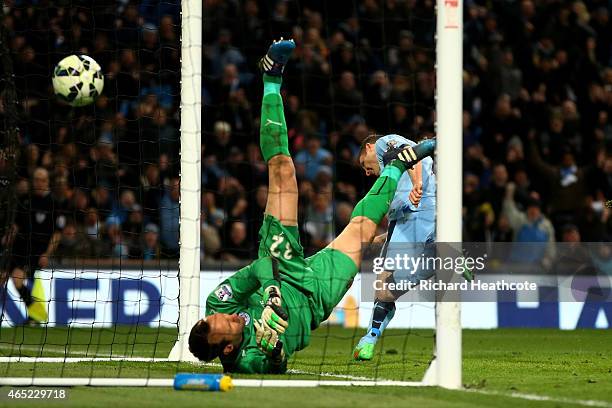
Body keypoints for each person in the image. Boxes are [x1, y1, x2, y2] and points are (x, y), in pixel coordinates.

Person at [188, 39, 436, 374]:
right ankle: (397, 165)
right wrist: (275, 350)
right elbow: (276, 366)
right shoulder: (245, 360)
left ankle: (271, 79)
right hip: (316, 295)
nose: (229, 316)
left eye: (219, 316)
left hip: (281, 265)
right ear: (228, 347)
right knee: (362, 229)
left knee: (283, 171)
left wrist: (273, 292)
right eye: (228, 325)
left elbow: (257, 271)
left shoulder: (218, 302)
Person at [352, 133, 436, 361]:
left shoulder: (381, 144)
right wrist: (379, 238)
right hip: (416, 218)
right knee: (385, 290)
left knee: (384, 288)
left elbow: (411, 154)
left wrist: (417, 183)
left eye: (363, 163)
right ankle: (369, 338)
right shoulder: (392, 178)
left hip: (415, 214)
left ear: (368, 147)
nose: (366, 172)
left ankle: (369, 338)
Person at [7, 168, 62, 324]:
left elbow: (57, 234)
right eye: (36, 179)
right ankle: (35, 314)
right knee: (13, 278)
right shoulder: (25, 199)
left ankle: (36, 314)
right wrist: (8, 238)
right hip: (19, 248)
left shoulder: (53, 203)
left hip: (37, 251)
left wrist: (47, 253)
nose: (38, 182)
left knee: (18, 279)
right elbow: (16, 225)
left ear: (47, 182)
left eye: (42, 180)